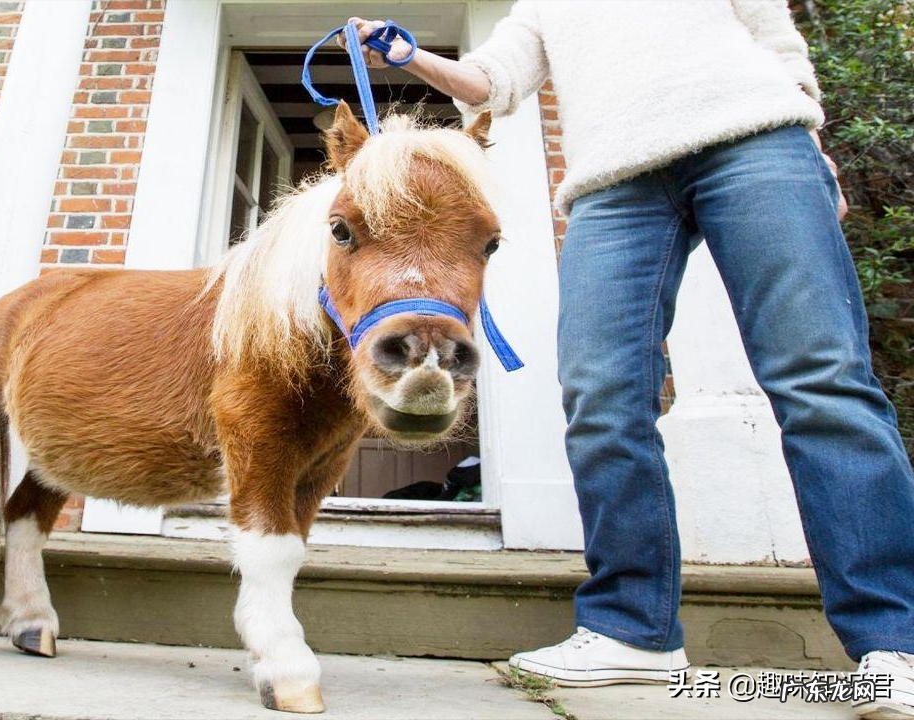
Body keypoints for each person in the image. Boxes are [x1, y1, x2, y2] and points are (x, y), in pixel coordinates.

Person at [341, 4, 913, 718]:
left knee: (819, 379)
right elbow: (492, 78)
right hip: (614, 181)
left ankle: (896, 644)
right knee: (599, 394)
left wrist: (812, 142)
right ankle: (632, 632)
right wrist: (410, 58)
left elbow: (777, 43)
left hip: (758, 141)